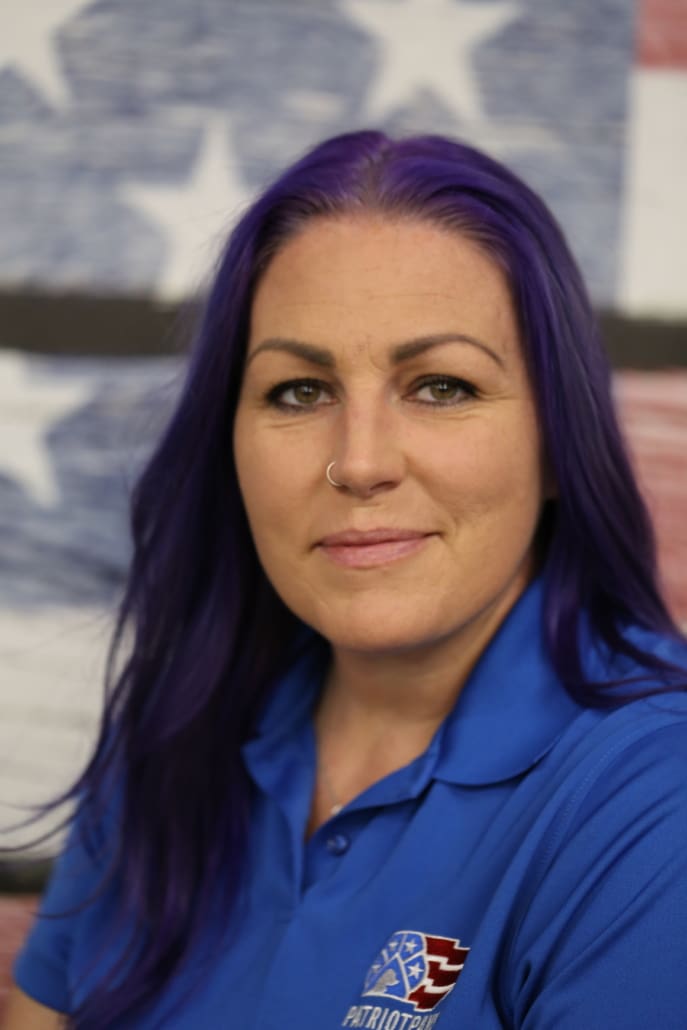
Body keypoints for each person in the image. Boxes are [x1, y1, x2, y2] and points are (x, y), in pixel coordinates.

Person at [4, 131, 687, 1030]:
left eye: (440, 386)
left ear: (559, 443)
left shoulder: (654, 794)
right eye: (297, 391)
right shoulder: (181, 722)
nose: (358, 463)